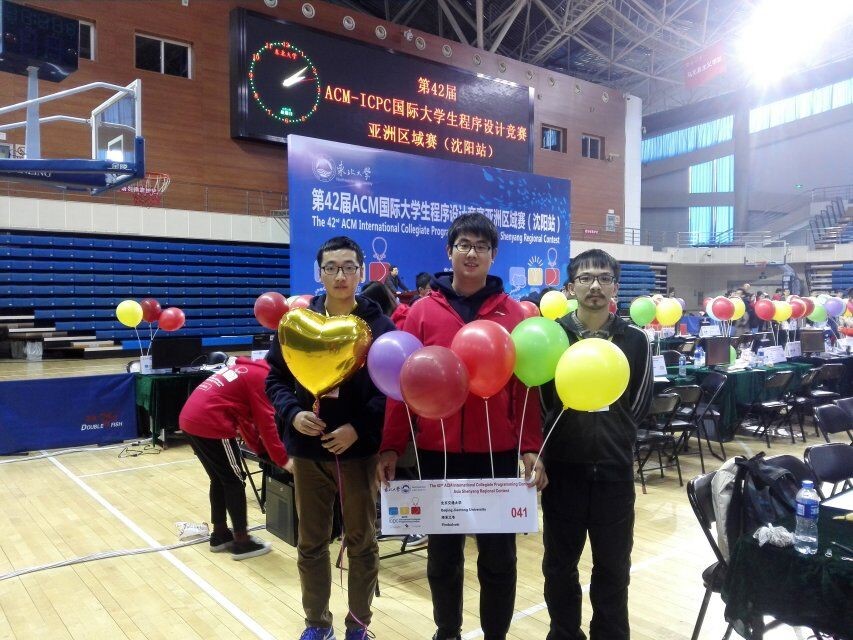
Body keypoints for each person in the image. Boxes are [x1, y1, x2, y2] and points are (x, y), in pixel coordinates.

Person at [378, 212, 546, 640]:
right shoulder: (421, 312)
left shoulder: (512, 313)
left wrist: (530, 446)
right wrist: (391, 446)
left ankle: (496, 635)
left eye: (482, 246)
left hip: (497, 453)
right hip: (438, 453)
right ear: (449, 251)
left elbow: (525, 388)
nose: (472, 253)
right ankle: (447, 631)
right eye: (464, 245)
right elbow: (403, 384)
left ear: (494, 255)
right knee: (443, 557)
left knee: (499, 558)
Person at [265, 236, 396, 640]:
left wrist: (358, 427)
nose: (340, 275)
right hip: (308, 453)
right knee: (311, 543)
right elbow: (275, 379)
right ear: (319, 273)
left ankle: (359, 625)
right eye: (331, 268)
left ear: (361, 272)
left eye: (349, 267)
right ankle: (317, 623)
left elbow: (389, 390)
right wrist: (293, 413)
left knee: (362, 542)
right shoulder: (299, 323)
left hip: (358, 455)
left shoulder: (380, 326)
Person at [539, 248, 653, 640]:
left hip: (614, 471)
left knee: (614, 568)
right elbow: (542, 400)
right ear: (570, 287)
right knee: (559, 567)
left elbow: (639, 401)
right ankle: (564, 633)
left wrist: (614, 432)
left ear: (615, 287)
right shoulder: (553, 336)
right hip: (562, 472)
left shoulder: (634, 340)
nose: (595, 286)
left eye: (604, 278)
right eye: (586, 278)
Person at [179, 356, 290, 560]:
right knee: (235, 481)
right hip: (210, 423)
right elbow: (266, 423)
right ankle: (242, 541)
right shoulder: (263, 378)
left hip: (189, 419)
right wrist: (283, 459)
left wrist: (261, 450)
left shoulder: (249, 370)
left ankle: (220, 534)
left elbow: (244, 419)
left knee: (219, 479)